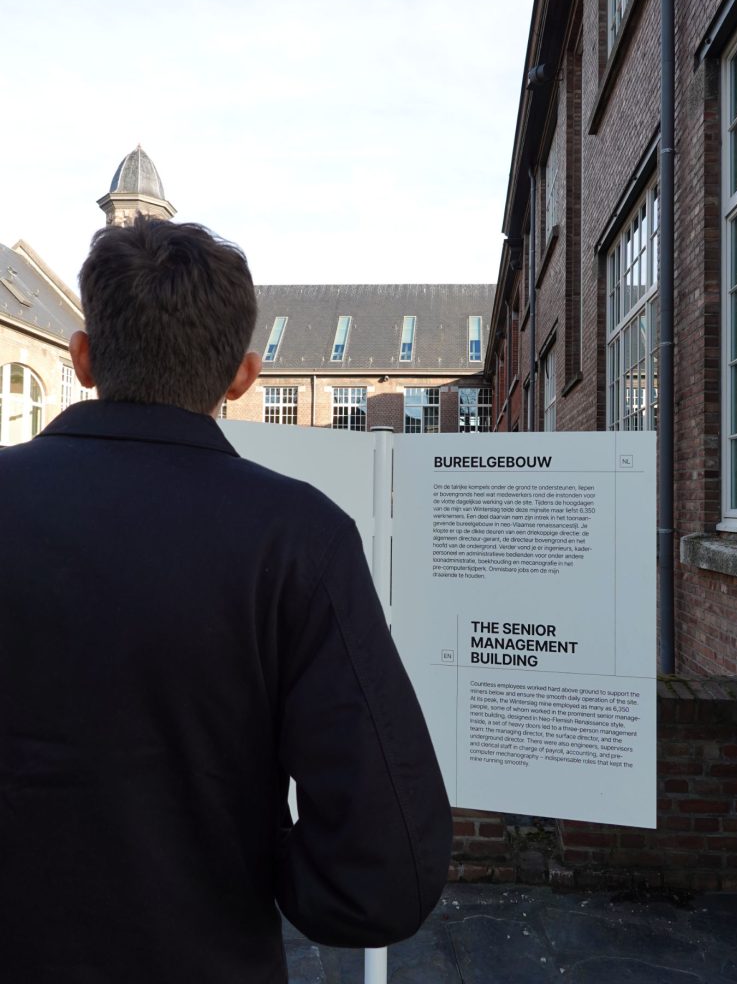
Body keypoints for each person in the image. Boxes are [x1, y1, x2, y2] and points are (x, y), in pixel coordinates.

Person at [0, 216, 452, 983]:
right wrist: (263, 858)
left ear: (81, 358)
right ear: (242, 377)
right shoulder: (298, 539)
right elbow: (384, 868)